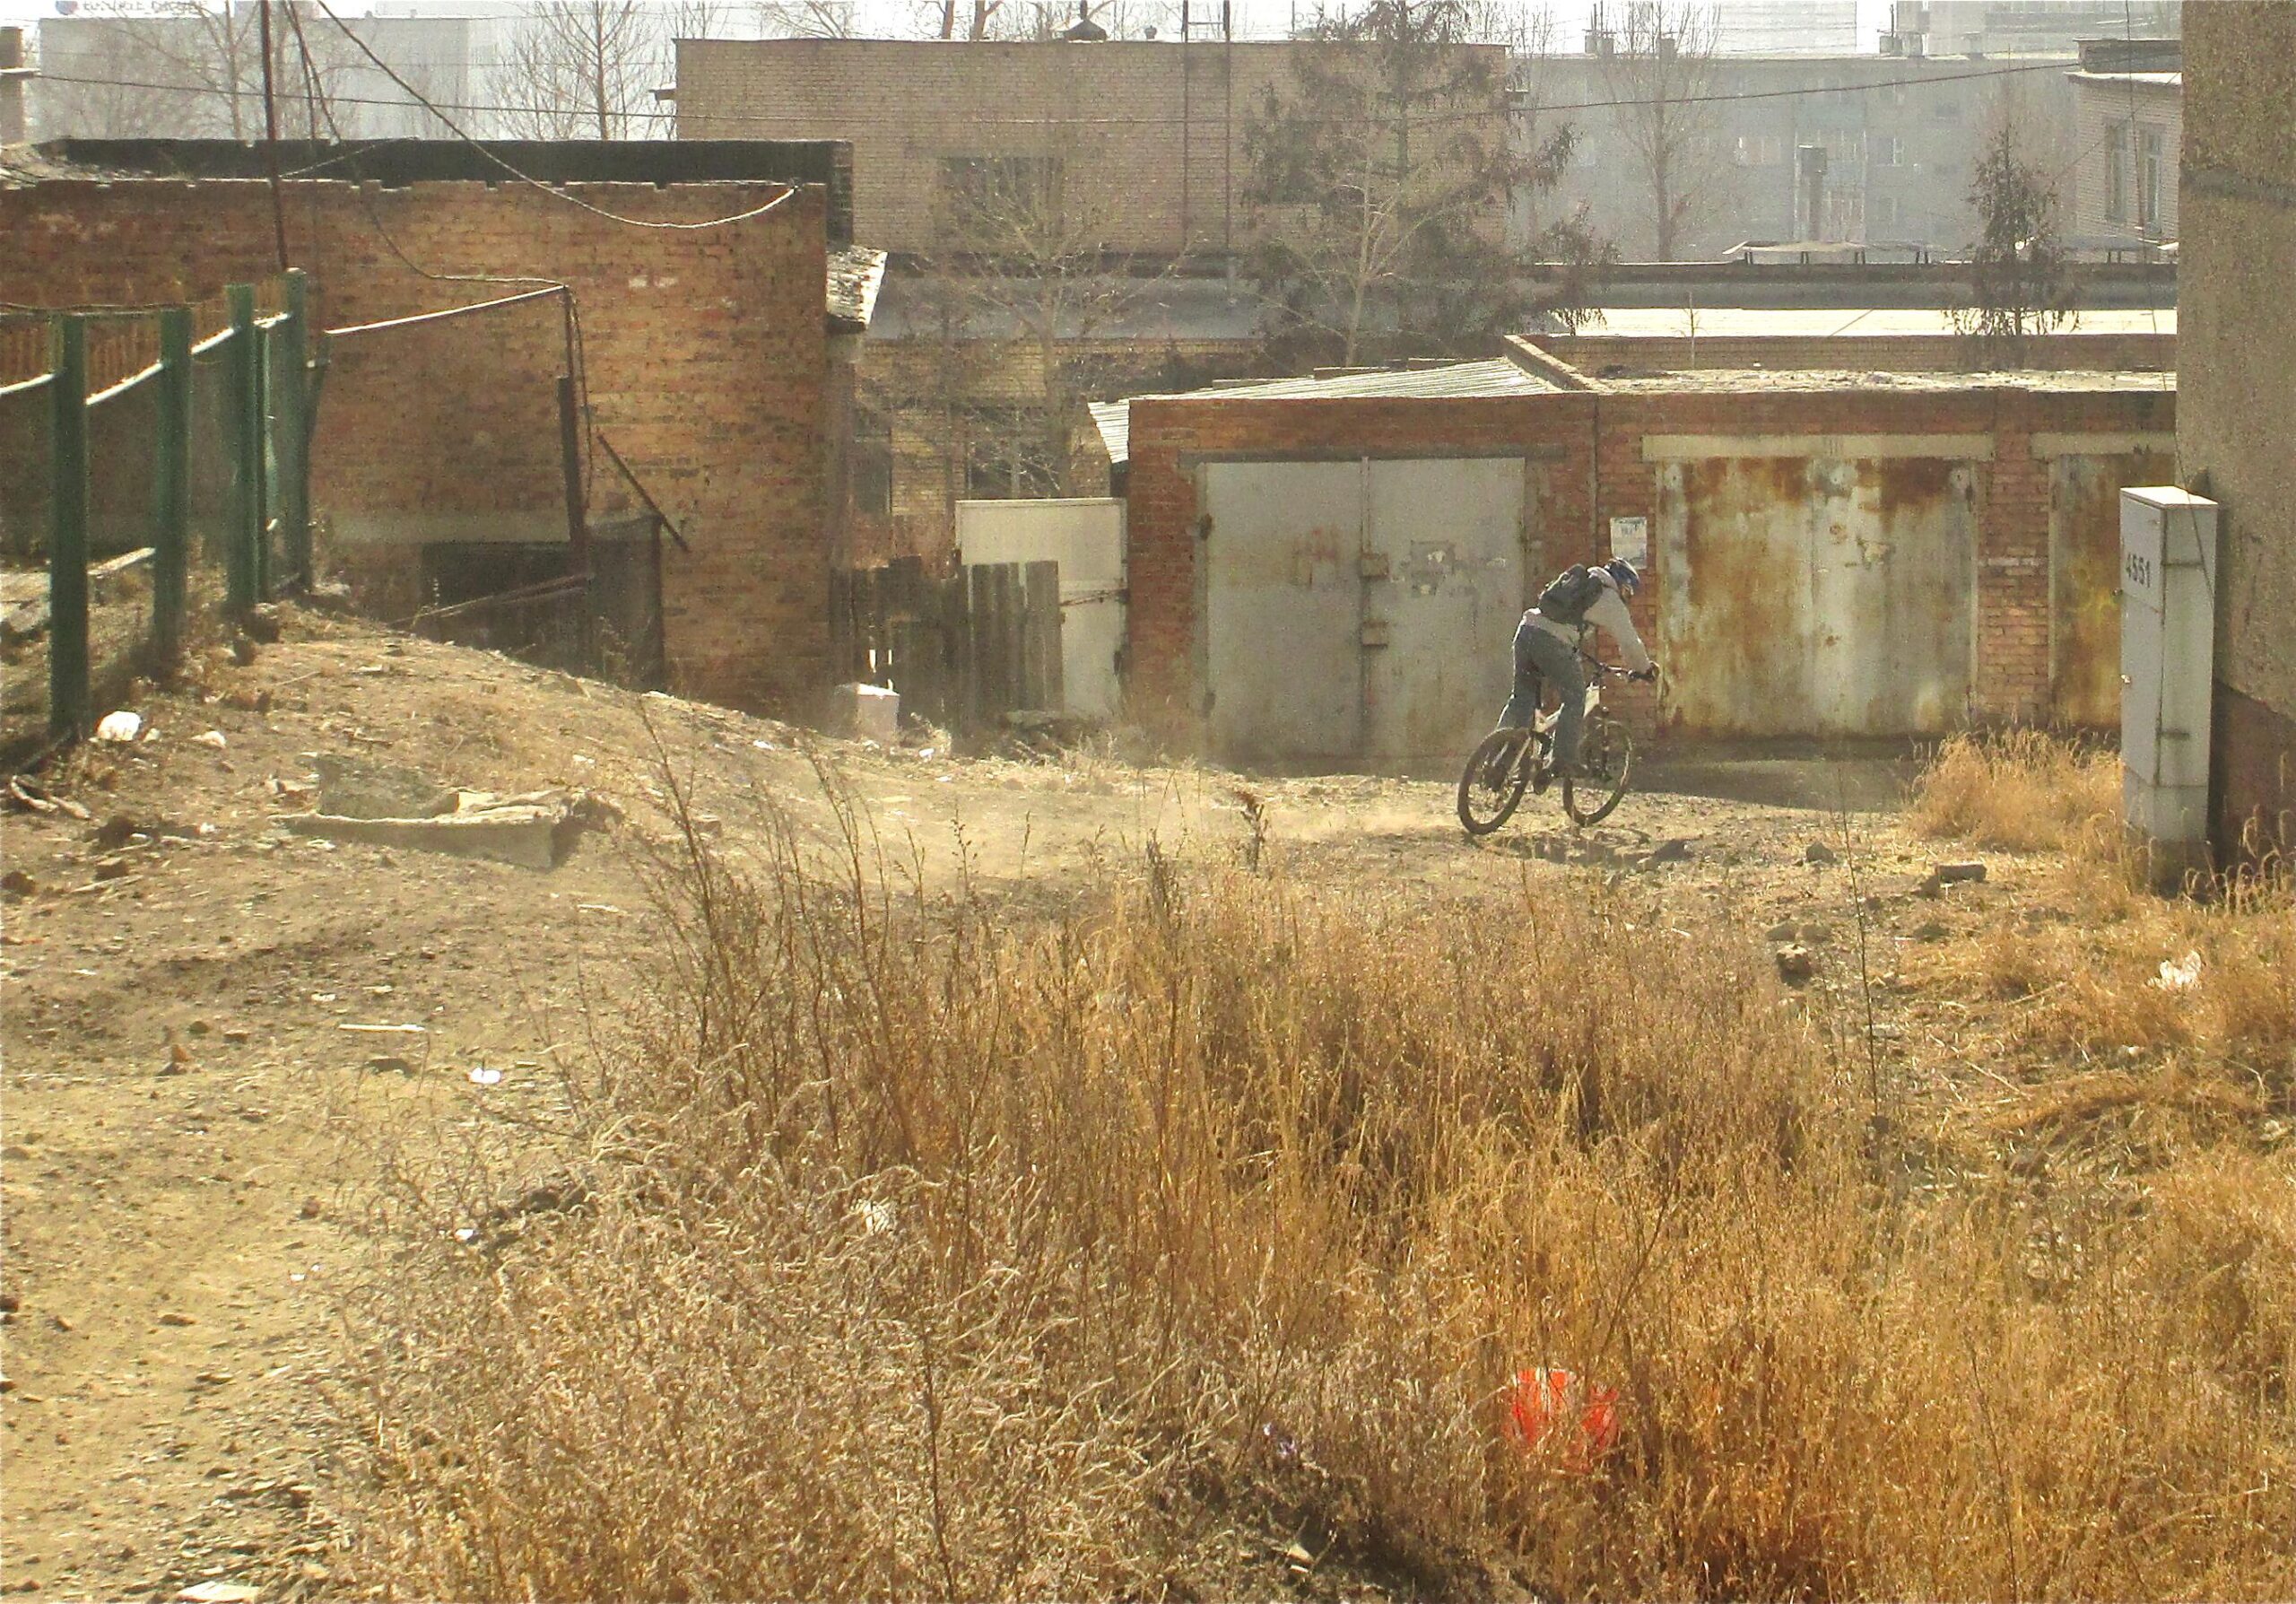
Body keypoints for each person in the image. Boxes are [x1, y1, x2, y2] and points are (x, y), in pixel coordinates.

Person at [1495, 557, 1657, 779]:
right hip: (1552, 642)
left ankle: (1498, 758)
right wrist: (1645, 669)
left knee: (1521, 698)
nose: (1627, 597)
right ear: (1622, 584)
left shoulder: (1579, 579)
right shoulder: (1609, 598)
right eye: (1628, 591)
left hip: (1526, 631)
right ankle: (1561, 760)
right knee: (1575, 697)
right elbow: (1630, 643)